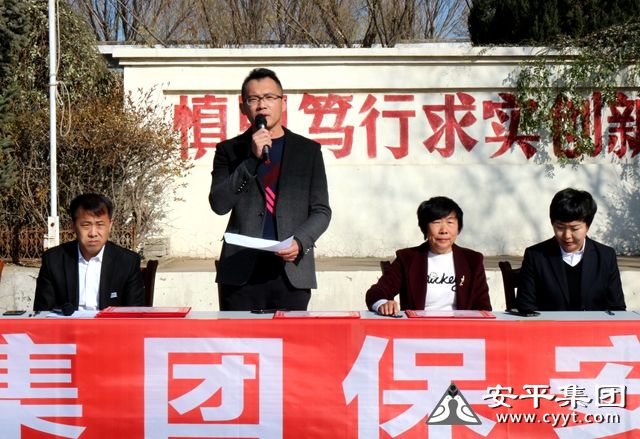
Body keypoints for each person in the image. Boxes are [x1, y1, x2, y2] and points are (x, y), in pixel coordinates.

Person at [209, 68, 331, 311]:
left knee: (290, 336)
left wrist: (300, 241)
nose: (262, 105)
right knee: (239, 336)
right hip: (241, 270)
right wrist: (250, 161)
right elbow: (219, 204)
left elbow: (321, 210)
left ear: (283, 102)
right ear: (243, 107)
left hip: (290, 271)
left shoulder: (308, 151)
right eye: (253, 99)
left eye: (269, 97)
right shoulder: (228, 151)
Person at [366, 196, 491, 315]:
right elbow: (376, 293)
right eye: (436, 222)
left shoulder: (472, 260)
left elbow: (483, 307)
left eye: (450, 222)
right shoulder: (407, 259)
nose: (444, 230)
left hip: (461, 327)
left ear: (458, 227)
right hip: (418, 327)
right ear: (425, 227)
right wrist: (383, 304)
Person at [517, 188, 626, 312]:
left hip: (593, 324)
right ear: (552, 223)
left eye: (575, 228)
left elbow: (617, 308)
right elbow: (525, 305)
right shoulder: (536, 256)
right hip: (550, 324)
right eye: (560, 227)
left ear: (587, 226)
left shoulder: (605, 256)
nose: (567, 235)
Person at [34, 193, 144, 312]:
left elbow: (134, 312)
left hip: (110, 324)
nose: (93, 233)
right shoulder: (53, 260)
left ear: (110, 226)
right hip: (68, 323)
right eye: (86, 225)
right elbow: (42, 312)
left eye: (100, 225)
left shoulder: (127, 262)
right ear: (73, 226)